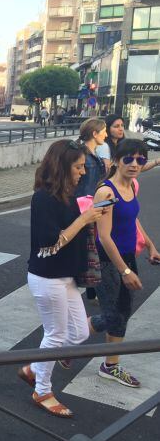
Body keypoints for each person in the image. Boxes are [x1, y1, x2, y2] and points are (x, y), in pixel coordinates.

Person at [18, 139, 109, 418]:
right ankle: (42, 388)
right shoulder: (44, 198)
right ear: (63, 166)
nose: (83, 172)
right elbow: (49, 244)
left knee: (80, 332)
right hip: (47, 276)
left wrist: (91, 216)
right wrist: (84, 220)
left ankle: (34, 368)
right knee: (55, 334)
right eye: (79, 167)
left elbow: (74, 231)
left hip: (66, 275)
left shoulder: (70, 193)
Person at [89, 139, 160, 388]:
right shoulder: (106, 192)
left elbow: (132, 220)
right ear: (117, 160)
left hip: (127, 256)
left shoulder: (133, 185)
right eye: (128, 159)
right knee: (114, 315)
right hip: (108, 261)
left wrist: (150, 245)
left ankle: (106, 362)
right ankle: (72, 345)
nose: (134, 164)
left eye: (140, 159)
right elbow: (104, 236)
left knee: (121, 313)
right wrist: (125, 270)